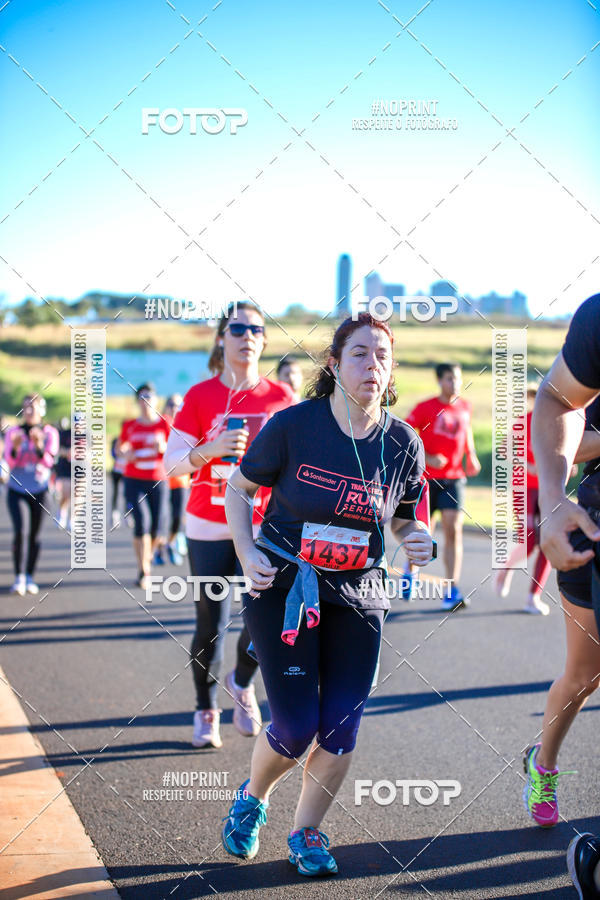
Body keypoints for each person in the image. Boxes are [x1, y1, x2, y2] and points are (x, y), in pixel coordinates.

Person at [220, 312, 433, 877]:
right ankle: (254, 797)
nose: (372, 364)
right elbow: (237, 491)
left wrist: (419, 542)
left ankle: (306, 832)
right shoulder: (294, 426)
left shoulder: (403, 442)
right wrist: (246, 552)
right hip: (285, 584)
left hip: (359, 592)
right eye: (359, 353)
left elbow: (410, 521)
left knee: (341, 727)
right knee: (294, 726)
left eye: (382, 355)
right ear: (335, 365)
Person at [164, 301, 295, 750]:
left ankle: (242, 683)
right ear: (222, 337)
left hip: (264, 528)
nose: (246, 337)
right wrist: (212, 447)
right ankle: (205, 707)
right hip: (208, 525)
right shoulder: (199, 396)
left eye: (255, 330)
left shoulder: (281, 399)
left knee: (265, 623)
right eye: (236, 328)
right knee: (210, 625)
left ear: (263, 341)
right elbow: (172, 466)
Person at [525, 294, 600, 898]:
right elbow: (562, 419)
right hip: (592, 530)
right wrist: (553, 500)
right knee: (582, 676)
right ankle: (543, 764)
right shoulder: (597, 324)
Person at [403, 363, 480, 609]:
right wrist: (425, 456)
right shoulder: (425, 408)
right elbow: (403, 435)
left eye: (457, 378)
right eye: (449, 379)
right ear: (439, 381)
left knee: (453, 530)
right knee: (423, 531)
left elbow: (466, 433)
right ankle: (411, 570)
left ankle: (451, 589)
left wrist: (472, 455)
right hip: (425, 480)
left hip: (454, 478)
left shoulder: (465, 407)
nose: (454, 383)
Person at [494, 382, 561, 615]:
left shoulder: (558, 421)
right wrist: (527, 465)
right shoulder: (525, 420)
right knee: (530, 541)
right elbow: (504, 450)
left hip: (549, 488)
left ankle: (533, 597)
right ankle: (507, 568)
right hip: (524, 488)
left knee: (548, 542)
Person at [3, 395, 59, 595]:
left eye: (32, 407)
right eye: (25, 407)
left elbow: (49, 462)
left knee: (34, 535)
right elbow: (10, 461)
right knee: (21, 531)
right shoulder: (13, 432)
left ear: (41, 410)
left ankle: (29, 576)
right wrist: (17, 448)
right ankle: (18, 577)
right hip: (17, 490)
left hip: (40, 490)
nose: (28, 411)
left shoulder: (49, 432)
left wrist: (38, 445)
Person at [118, 384, 169, 589]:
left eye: (149, 396)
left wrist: (163, 447)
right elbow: (119, 448)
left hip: (158, 479)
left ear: (156, 400)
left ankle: (147, 557)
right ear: (138, 402)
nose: (145, 401)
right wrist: (124, 453)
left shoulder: (165, 424)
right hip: (134, 479)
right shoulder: (130, 425)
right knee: (142, 522)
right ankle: (143, 570)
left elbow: (175, 449)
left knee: (157, 529)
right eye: (141, 397)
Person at [162, 394, 188, 566]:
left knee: (178, 517)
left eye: (178, 405)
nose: (174, 408)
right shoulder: (162, 422)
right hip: (161, 480)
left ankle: (170, 543)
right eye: (171, 404)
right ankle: (158, 548)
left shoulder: (187, 425)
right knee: (161, 520)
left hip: (181, 480)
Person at [53, 416, 72, 530]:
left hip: (81, 469)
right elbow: (57, 449)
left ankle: (73, 519)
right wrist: (67, 452)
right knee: (65, 492)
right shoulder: (64, 434)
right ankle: (62, 513)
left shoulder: (86, 435)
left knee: (77, 495)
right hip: (65, 468)